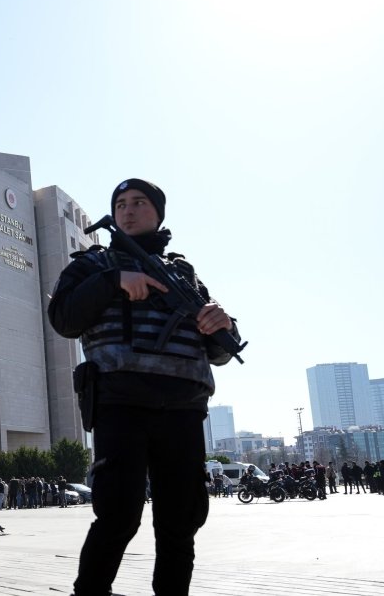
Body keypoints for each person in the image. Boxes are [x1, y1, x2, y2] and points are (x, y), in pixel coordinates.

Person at [49, 178, 241, 596]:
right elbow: (63, 318)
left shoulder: (183, 272)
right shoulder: (92, 265)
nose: (128, 211)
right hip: (121, 402)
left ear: (158, 213)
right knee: (118, 512)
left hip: (184, 406)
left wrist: (222, 323)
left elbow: (219, 350)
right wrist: (113, 280)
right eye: (120, 205)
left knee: (181, 518)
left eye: (139, 203)